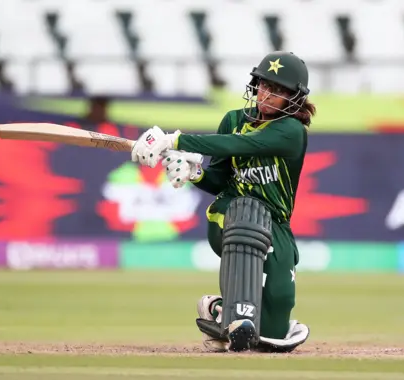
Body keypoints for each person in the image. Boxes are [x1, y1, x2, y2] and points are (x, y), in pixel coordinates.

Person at [130, 51, 314, 353]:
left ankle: (218, 310)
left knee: (276, 323)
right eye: (264, 85)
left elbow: (241, 144)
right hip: (230, 213)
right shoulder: (233, 120)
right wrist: (194, 172)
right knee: (246, 213)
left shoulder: (292, 132)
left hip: (276, 223)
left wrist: (175, 141)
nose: (267, 94)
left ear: (294, 98)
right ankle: (237, 317)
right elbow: (217, 180)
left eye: (279, 90)